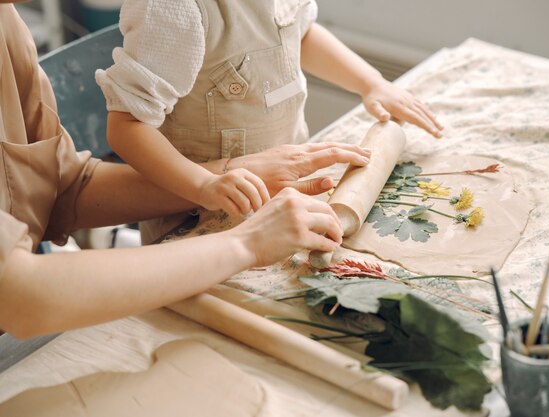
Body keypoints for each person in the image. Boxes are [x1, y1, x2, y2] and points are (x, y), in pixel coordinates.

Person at [0, 2, 371, 339]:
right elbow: (20, 296)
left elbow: (64, 187)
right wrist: (246, 243)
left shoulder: (6, 23)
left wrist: (228, 171)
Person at [95, 0, 444, 242]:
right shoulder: (175, 9)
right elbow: (127, 126)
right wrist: (204, 185)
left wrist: (371, 83)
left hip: (284, 193)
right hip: (201, 215)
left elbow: (301, 33)